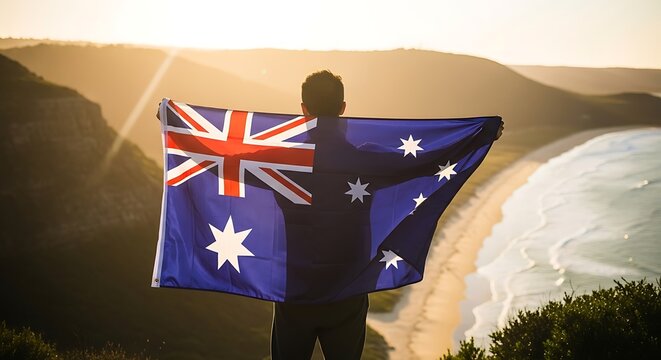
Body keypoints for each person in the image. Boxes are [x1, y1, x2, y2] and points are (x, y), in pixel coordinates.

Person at [270, 70, 369, 360]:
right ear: (342, 109)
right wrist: (480, 136)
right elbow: (423, 162)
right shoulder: (368, 161)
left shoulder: (280, 164)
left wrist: (174, 127)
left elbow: (224, 162)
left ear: (303, 110)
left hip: (296, 293)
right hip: (347, 292)